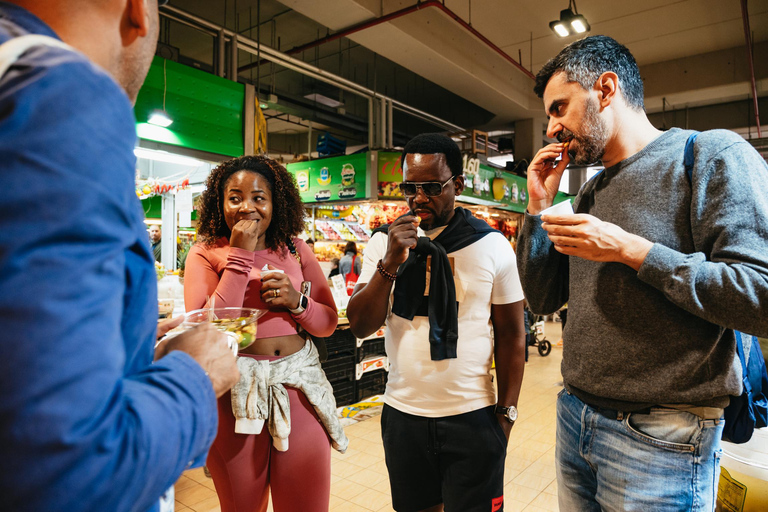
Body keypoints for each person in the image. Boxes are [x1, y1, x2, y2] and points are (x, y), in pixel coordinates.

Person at [0, 1, 240, 511]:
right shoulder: (58, 95)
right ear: (138, 12)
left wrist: (123, 340)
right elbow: (68, 469)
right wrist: (194, 376)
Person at [517, 35, 768, 511]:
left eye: (559, 108)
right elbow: (542, 299)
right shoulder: (591, 193)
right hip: (576, 417)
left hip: (663, 438)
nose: (551, 128)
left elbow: (759, 295)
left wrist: (632, 250)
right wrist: (537, 207)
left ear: (606, 89)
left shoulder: (709, 156)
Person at [347, 133, 526, 512]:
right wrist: (391, 262)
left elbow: (512, 334)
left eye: (431, 186)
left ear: (457, 185)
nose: (418, 197)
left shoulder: (491, 245)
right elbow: (361, 324)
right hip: (403, 416)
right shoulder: (385, 242)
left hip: (473, 417)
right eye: (410, 187)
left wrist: (506, 416)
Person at [184, 155, 348, 512]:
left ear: (275, 203)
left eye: (259, 197)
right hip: (234, 395)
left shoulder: (294, 248)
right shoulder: (204, 253)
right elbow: (205, 328)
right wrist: (240, 256)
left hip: (298, 389)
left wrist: (296, 301)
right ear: (219, 202)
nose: (247, 206)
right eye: (235, 197)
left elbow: (328, 322)